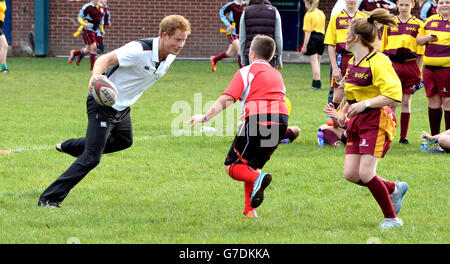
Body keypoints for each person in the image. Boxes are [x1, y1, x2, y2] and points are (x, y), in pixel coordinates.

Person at [38, 15, 191, 208]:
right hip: (102, 104)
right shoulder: (138, 49)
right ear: (164, 35)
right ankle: (49, 199)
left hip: (123, 108)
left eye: (184, 40)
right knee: (91, 158)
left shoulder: (170, 55)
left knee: (124, 141)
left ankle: (70, 146)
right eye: (178, 39)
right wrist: (96, 76)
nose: (181, 44)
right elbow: (106, 58)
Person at [190, 35, 289, 218]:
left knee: (232, 166)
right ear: (271, 56)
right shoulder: (277, 74)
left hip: (259, 120)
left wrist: (205, 117)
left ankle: (259, 180)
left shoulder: (246, 71)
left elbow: (227, 98)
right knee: (251, 165)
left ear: (251, 54)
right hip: (282, 121)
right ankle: (249, 211)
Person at [338, 8, 408, 229]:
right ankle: (393, 189)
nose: (345, 37)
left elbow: (393, 95)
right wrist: (345, 111)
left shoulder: (379, 61)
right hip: (358, 121)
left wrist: (364, 104)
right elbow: (352, 96)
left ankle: (392, 218)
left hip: (376, 120)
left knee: (367, 173)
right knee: (351, 174)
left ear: (356, 38)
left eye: (347, 33)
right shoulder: (352, 62)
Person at [380, 0, 424, 144]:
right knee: (391, 101)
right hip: (393, 65)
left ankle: (403, 136)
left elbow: (421, 53)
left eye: (407, 5)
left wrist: (419, 70)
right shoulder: (390, 23)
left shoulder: (418, 24)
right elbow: (383, 50)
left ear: (412, 5)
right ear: (397, 5)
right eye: (401, 4)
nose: (404, 7)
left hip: (410, 65)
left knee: (406, 101)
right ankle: (389, 133)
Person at [324, 0, 368, 110]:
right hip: (342, 59)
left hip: (360, 59)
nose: (351, 0)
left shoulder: (364, 18)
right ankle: (333, 124)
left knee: (357, 95)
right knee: (338, 97)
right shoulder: (336, 18)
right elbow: (330, 44)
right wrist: (334, 67)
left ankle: (352, 125)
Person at [416, 0, 450, 136]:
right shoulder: (430, 21)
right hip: (429, 69)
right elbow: (418, 40)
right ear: (437, 5)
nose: (444, 5)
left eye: (447, 2)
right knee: (433, 102)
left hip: (446, 69)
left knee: (447, 102)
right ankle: (434, 139)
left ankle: (447, 140)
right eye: (441, 2)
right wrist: (427, 38)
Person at [239, 0, 283, 68]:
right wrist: (279, 57)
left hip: (251, 54)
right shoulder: (274, 11)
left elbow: (242, 38)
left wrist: (242, 56)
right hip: (269, 54)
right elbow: (278, 38)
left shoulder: (246, 12)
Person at [210, 0, 247, 72]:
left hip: (242, 32)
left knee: (229, 53)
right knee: (240, 50)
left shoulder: (245, 5)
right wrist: (228, 24)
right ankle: (243, 73)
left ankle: (214, 59)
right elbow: (221, 13)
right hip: (232, 32)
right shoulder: (232, 5)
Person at [68, 0, 105, 71]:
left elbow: (101, 20)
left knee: (88, 50)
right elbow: (79, 17)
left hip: (95, 30)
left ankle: (75, 53)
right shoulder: (87, 7)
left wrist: (101, 30)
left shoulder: (101, 7)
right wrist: (84, 24)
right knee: (94, 47)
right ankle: (92, 68)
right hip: (88, 30)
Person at [301, 0, 326, 90]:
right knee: (318, 61)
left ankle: (317, 83)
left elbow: (308, 32)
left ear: (308, 2)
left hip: (313, 37)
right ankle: (316, 81)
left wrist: (304, 46)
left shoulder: (308, 15)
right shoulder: (321, 13)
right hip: (322, 37)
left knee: (314, 62)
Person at [0, 0, 9, 73]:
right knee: (4, 45)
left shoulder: (3, 1)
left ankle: (3, 68)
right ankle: (3, 68)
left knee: (3, 46)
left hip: (1, 24)